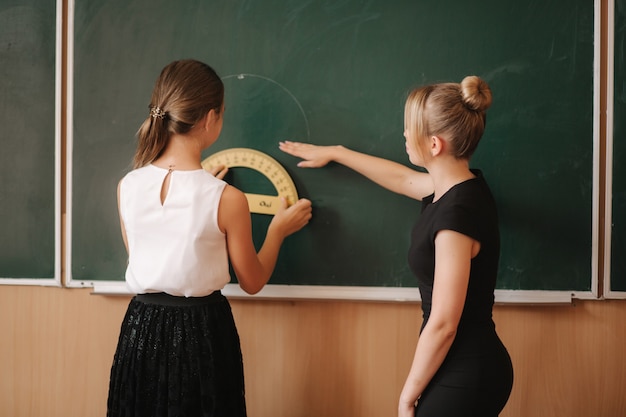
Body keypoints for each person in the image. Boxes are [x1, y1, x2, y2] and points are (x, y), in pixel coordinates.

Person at [279, 75, 513, 417]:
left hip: (467, 371)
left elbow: (444, 323)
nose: (404, 134)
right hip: (460, 365)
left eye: (409, 127)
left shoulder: (457, 216)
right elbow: (401, 179)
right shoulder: (459, 188)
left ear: (434, 144)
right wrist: (337, 153)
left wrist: (407, 396)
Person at [107, 59, 312, 417]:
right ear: (209, 118)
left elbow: (148, 255)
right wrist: (277, 230)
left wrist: (201, 184)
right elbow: (252, 280)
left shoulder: (128, 186)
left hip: (140, 330)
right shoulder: (226, 198)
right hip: (201, 334)